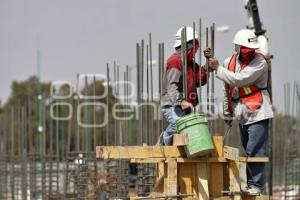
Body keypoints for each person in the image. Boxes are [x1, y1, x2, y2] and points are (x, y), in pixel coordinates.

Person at [204, 29, 274, 195]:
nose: (249, 55)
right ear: (238, 48)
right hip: (242, 113)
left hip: (258, 112)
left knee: (255, 151)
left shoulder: (260, 62)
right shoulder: (230, 62)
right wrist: (227, 111)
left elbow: (240, 80)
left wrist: (217, 68)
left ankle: (256, 186)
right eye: (246, 52)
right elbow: (227, 87)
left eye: (251, 52)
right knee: (247, 150)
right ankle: (250, 185)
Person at [158, 26, 207, 145]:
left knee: (186, 129)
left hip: (185, 104)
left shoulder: (189, 63)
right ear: (188, 45)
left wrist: (207, 66)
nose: (196, 50)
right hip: (172, 104)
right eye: (195, 46)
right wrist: (180, 101)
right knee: (178, 124)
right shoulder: (175, 61)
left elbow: (200, 80)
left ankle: (170, 147)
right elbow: (172, 86)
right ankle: (163, 141)